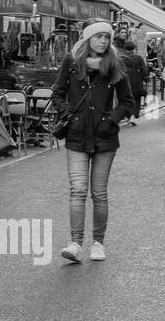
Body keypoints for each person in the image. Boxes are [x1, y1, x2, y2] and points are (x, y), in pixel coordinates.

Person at [50, 20, 134, 264]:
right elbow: (57, 93)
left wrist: (111, 119)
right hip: (77, 136)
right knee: (77, 191)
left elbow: (128, 102)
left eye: (106, 38)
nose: (103, 41)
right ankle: (75, 242)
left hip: (105, 138)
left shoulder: (115, 65)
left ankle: (98, 242)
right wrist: (69, 115)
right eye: (98, 37)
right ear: (87, 39)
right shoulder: (72, 62)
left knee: (99, 193)